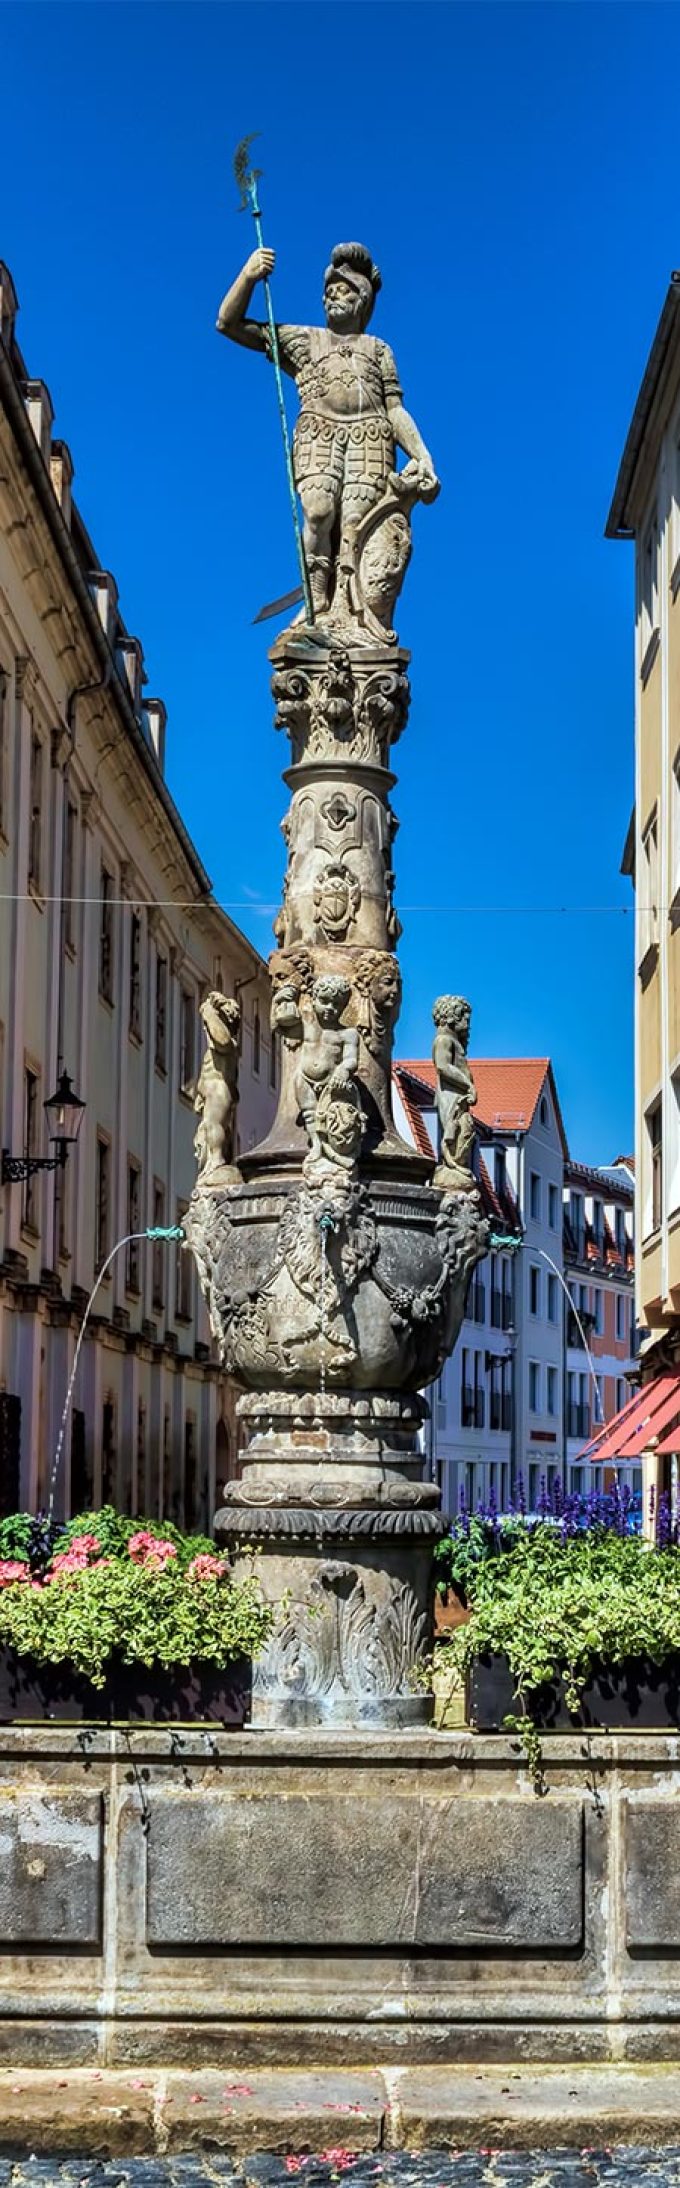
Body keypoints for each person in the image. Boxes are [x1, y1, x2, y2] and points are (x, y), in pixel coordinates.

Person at [217, 241, 439, 619]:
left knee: (356, 524)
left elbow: (394, 409)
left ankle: (347, 607)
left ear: (362, 301)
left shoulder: (378, 349)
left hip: (370, 436)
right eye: (329, 293)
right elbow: (229, 323)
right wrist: (249, 276)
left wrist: (422, 455)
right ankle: (317, 596)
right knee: (318, 513)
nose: (332, 298)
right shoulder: (304, 339)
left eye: (343, 292)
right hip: (319, 432)